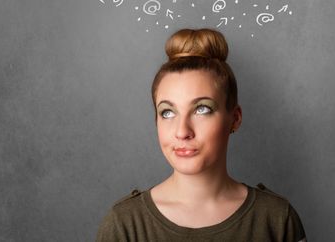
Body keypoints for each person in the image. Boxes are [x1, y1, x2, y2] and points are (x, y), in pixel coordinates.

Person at [96, 28, 307, 241]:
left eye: (202, 109)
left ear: (235, 118)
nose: (182, 131)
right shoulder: (124, 225)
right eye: (168, 112)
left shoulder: (277, 219)